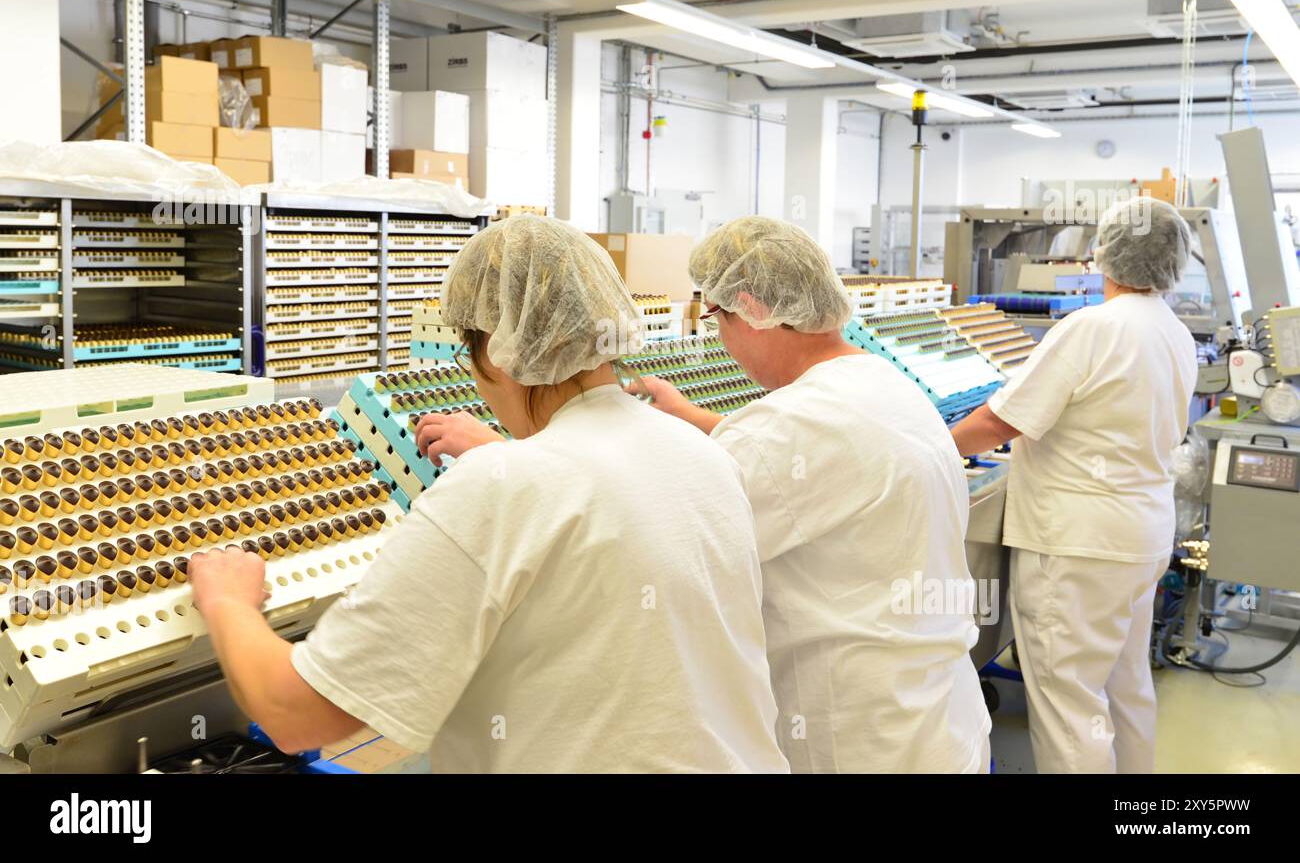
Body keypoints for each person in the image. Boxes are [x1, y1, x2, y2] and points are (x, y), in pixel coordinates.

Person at [190, 215, 789, 773]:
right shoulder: (701, 453)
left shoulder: (499, 489)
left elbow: (297, 714)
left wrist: (228, 601)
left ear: (498, 354)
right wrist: (507, 458)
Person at [632, 215, 990, 773]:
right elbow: (797, 460)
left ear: (751, 308)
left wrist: (498, 457)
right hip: (937, 719)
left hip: (860, 738)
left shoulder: (793, 426)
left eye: (717, 318)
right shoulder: (878, 381)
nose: (720, 339)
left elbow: (655, 541)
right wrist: (691, 416)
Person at [950, 197, 1198, 774]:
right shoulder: (1172, 329)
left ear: (1103, 254)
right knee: (1124, 685)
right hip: (1140, 540)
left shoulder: (1092, 327)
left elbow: (1001, 420)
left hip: (1078, 548)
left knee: (1070, 703)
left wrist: (925, 448)